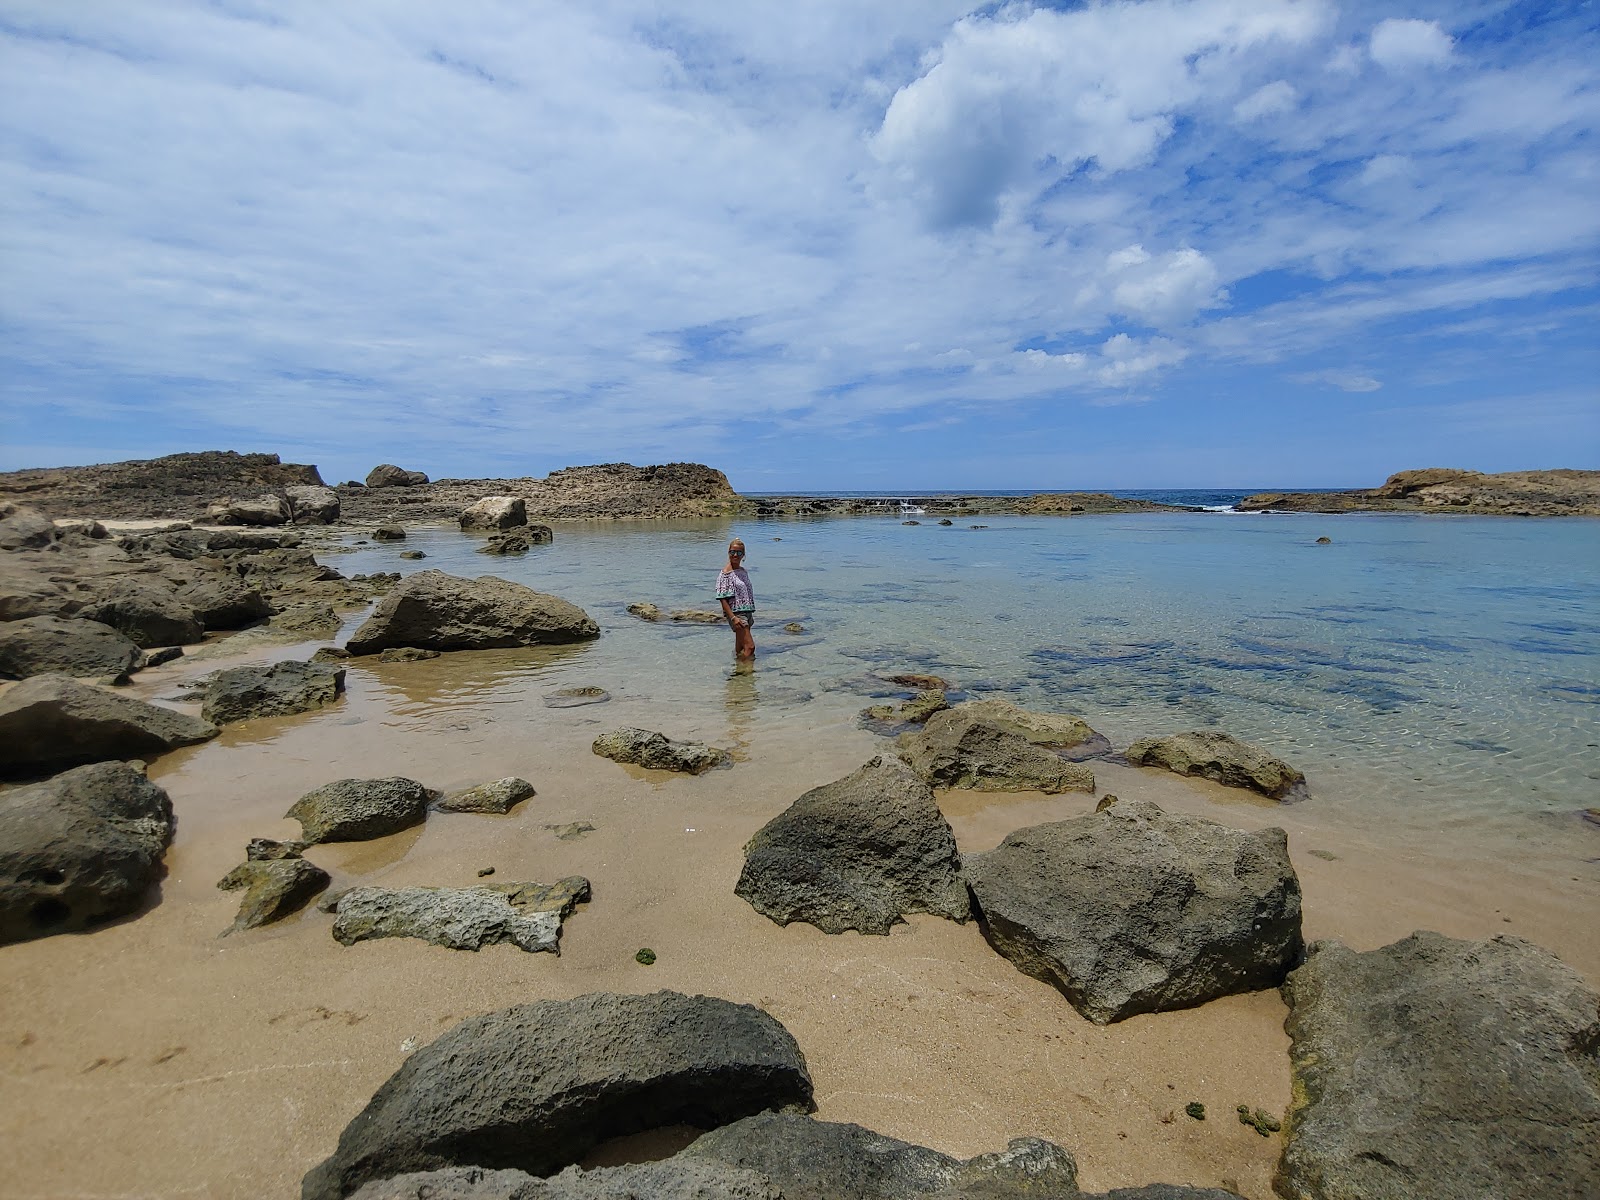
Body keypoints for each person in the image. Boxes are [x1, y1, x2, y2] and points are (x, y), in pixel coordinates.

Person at [715, 538, 755, 660]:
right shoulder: (726, 574)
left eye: (739, 553)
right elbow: (722, 599)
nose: (735, 555)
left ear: (743, 555)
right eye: (732, 552)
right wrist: (733, 618)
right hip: (737, 614)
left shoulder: (742, 571)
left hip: (746, 611)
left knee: (741, 647)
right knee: (750, 647)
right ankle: (742, 673)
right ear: (728, 553)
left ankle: (736, 668)